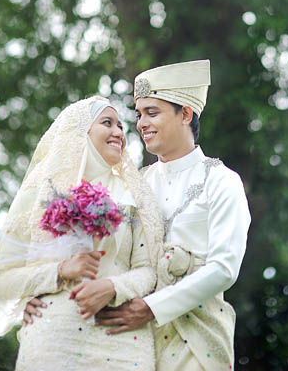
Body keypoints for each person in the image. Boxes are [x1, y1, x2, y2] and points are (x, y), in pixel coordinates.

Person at [0, 95, 164, 371]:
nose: (119, 132)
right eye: (107, 123)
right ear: (81, 132)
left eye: (121, 126)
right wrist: (58, 272)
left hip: (122, 339)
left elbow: (148, 270)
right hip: (53, 338)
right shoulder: (40, 195)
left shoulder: (134, 196)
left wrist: (112, 287)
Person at [97, 60, 251, 370]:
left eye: (152, 112)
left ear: (185, 114)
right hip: (132, 339)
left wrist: (153, 307)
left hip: (196, 338)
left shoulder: (221, 180)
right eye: (139, 114)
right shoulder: (134, 184)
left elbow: (224, 268)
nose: (141, 123)